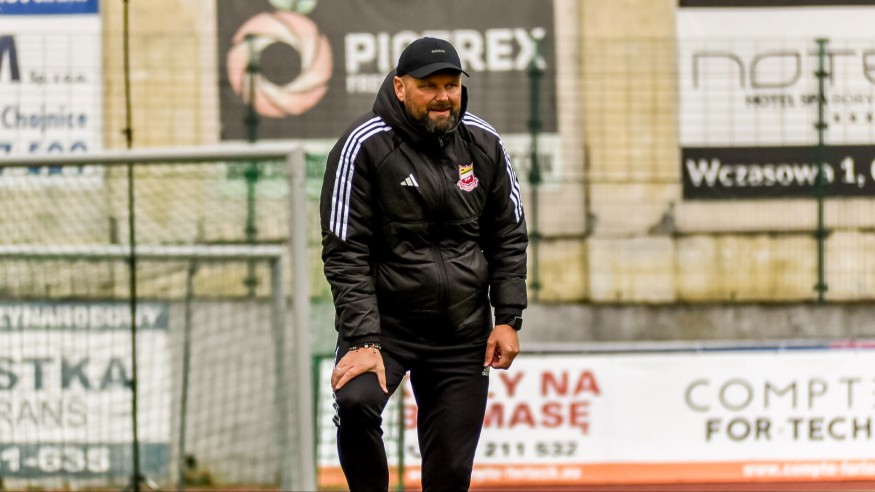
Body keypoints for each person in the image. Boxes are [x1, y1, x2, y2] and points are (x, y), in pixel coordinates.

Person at [320, 36, 528, 492]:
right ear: (400, 87)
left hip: (462, 331)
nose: (442, 96)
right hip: (385, 328)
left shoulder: (484, 142)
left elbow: (508, 235)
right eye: (428, 86)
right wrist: (362, 338)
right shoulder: (362, 145)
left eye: (450, 85)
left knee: (450, 472)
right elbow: (345, 251)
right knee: (355, 402)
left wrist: (508, 318)